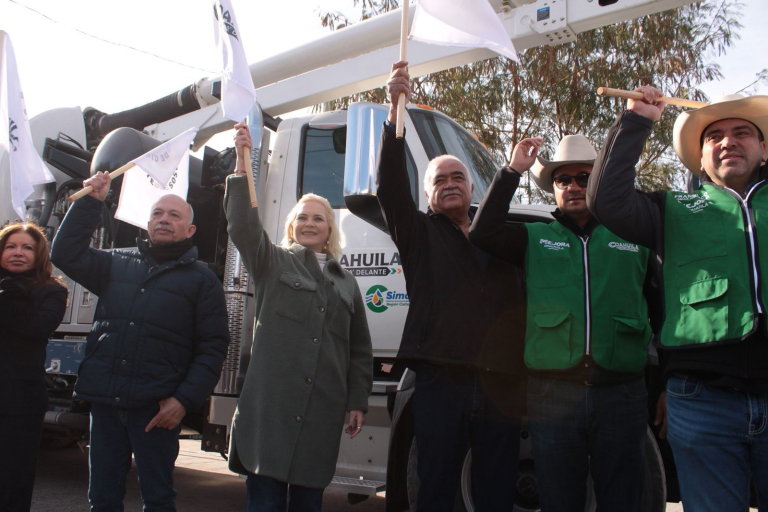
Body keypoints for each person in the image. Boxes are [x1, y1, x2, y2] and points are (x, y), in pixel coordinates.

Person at [587, 87, 768, 510]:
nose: (727, 141)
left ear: (763, 148)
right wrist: (636, 120)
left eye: (742, 132)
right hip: (703, 401)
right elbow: (606, 200)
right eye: (714, 137)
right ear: (700, 159)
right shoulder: (670, 209)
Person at [469, 134, 654, 511]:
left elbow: (661, 308)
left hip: (622, 392)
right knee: (559, 499)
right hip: (552, 394)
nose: (572, 186)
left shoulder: (635, 236)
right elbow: (482, 231)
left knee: (624, 499)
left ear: (598, 182)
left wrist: (666, 383)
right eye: (562, 179)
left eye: (584, 178)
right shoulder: (534, 237)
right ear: (553, 188)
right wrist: (512, 171)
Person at [382, 61, 525, 511]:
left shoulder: (501, 235)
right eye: (439, 180)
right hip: (441, 378)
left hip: (501, 382)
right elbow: (390, 189)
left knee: (496, 487)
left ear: (472, 188)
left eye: (457, 177)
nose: (449, 184)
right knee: (437, 486)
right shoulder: (417, 233)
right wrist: (395, 112)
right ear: (427, 195)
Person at [50, 176, 230, 512]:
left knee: (158, 500)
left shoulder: (203, 281)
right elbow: (65, 253)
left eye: (174, 215)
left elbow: (213, 347)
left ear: (190, 230)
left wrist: (182, 401)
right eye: (157, 213)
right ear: (147, 224)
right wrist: (91, 202)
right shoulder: (116, 263)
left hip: (157, 409)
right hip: (106, 403)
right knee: (102, 499)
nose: (164, 219)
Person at [224, 124, 373, 512]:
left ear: (329, 230)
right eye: (302, 217)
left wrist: (357, 401)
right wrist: (242, 163)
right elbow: (242, 226)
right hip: (270, 410)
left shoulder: (347, 283)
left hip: (322, 411)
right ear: (292, 226)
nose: (310, 223)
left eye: (318, 218)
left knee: (308, 502)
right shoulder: (272, 262)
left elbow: (359, 350)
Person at [0, 223, 68, 512]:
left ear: (39, 254)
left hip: (21, 398)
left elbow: (37, 327)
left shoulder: (52, 291)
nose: (18, 252)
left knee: (13, 478)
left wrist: (11, 297)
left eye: (27, 247)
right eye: (11, 246)